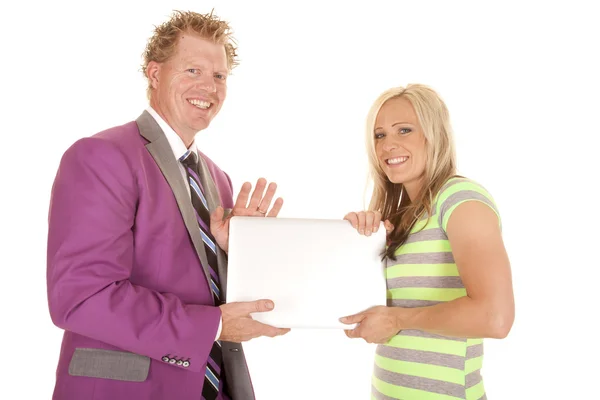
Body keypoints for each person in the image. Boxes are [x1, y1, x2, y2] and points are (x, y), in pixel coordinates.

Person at [46, 10, 289, 400]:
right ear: (155, 74)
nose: (208, 87)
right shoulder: (100, 156)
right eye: (192, 70)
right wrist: (211, 328)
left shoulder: (219, 179)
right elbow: (82, 297)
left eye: (219, 76)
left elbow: (217, 297)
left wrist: (242, 252)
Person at [340, 84, 515, 400]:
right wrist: (356, 242)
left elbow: (496, 317)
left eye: (403, 130)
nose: (388, 145)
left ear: (434, 136)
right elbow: (369, 307)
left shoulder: (461, 201)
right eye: (379, 136)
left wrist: (397, 319)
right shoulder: (404, 218)